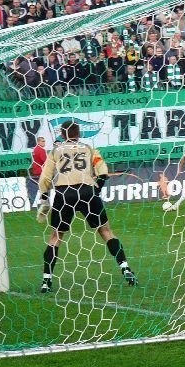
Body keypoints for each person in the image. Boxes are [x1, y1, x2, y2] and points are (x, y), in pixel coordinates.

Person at [36, 120, 137, 293]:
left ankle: (46, 281)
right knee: (106, 231)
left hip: (64, 193)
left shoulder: (55, 151)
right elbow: (103, 171)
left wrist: (44, 200)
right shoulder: (88, 149)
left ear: (62, 134)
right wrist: (96, 190)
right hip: (87, 191)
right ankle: (125, 268)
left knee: (56, 237)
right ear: (79, 134)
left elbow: (45, 178)